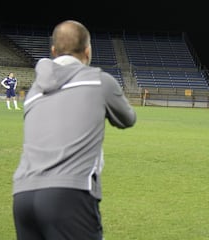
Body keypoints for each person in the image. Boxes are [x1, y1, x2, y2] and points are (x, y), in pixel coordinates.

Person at [12, 20, 137, 240]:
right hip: (68, 194)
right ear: (88, 51)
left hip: (22, 196)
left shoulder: (34, 92)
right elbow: (128, 119)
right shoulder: (99, 81)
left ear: (53, 51)